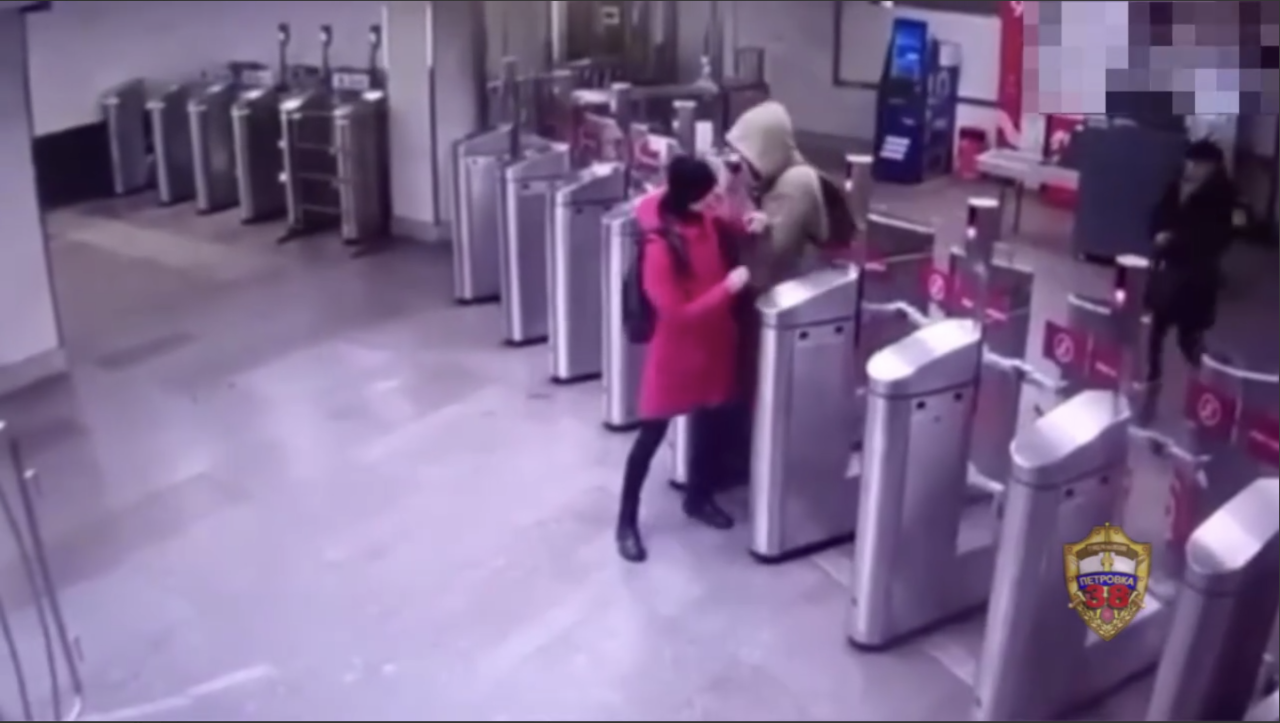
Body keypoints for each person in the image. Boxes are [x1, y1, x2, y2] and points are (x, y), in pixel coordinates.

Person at [615, 156, 753, 564]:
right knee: (650, 436)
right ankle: (626, 521)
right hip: (676, 355)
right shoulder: (659, 246)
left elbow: (726, 223)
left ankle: (698, 497)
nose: (715, 198)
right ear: (688, 196)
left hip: (714, 345)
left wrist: (749, 222)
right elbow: (676, 314)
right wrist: (728, 288)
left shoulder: (703, 217)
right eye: (708, 194)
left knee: (711, 422)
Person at [1144, 139, 1236, 383]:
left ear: (1212, 166)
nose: (1191, 167)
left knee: (1188, 335)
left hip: (1196, 276)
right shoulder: (1176, 187)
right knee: (1156, 328)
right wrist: (1158, 233)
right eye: (1190, 162)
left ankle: (1211, 381)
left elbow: (1218, 236)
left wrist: (1174, 239)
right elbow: (1158, 213)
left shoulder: (1222, 196)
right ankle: (1152, 376)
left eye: (1197, 164)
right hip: (1168, 270)